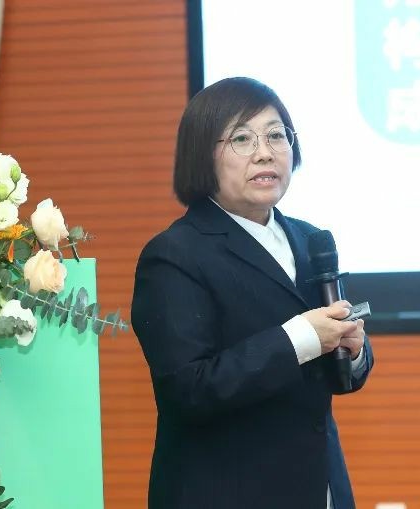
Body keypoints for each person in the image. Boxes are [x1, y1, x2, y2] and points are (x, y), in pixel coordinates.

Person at [131, 77, 374, 509]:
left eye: (276, 135)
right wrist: (302, 338)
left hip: (319, 488)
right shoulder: (174, 255)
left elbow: (334, 379)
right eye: (242, 138)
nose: (265, 152)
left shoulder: (310, 239)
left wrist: (352, 352)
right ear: (202, 154)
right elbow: (188, 390)